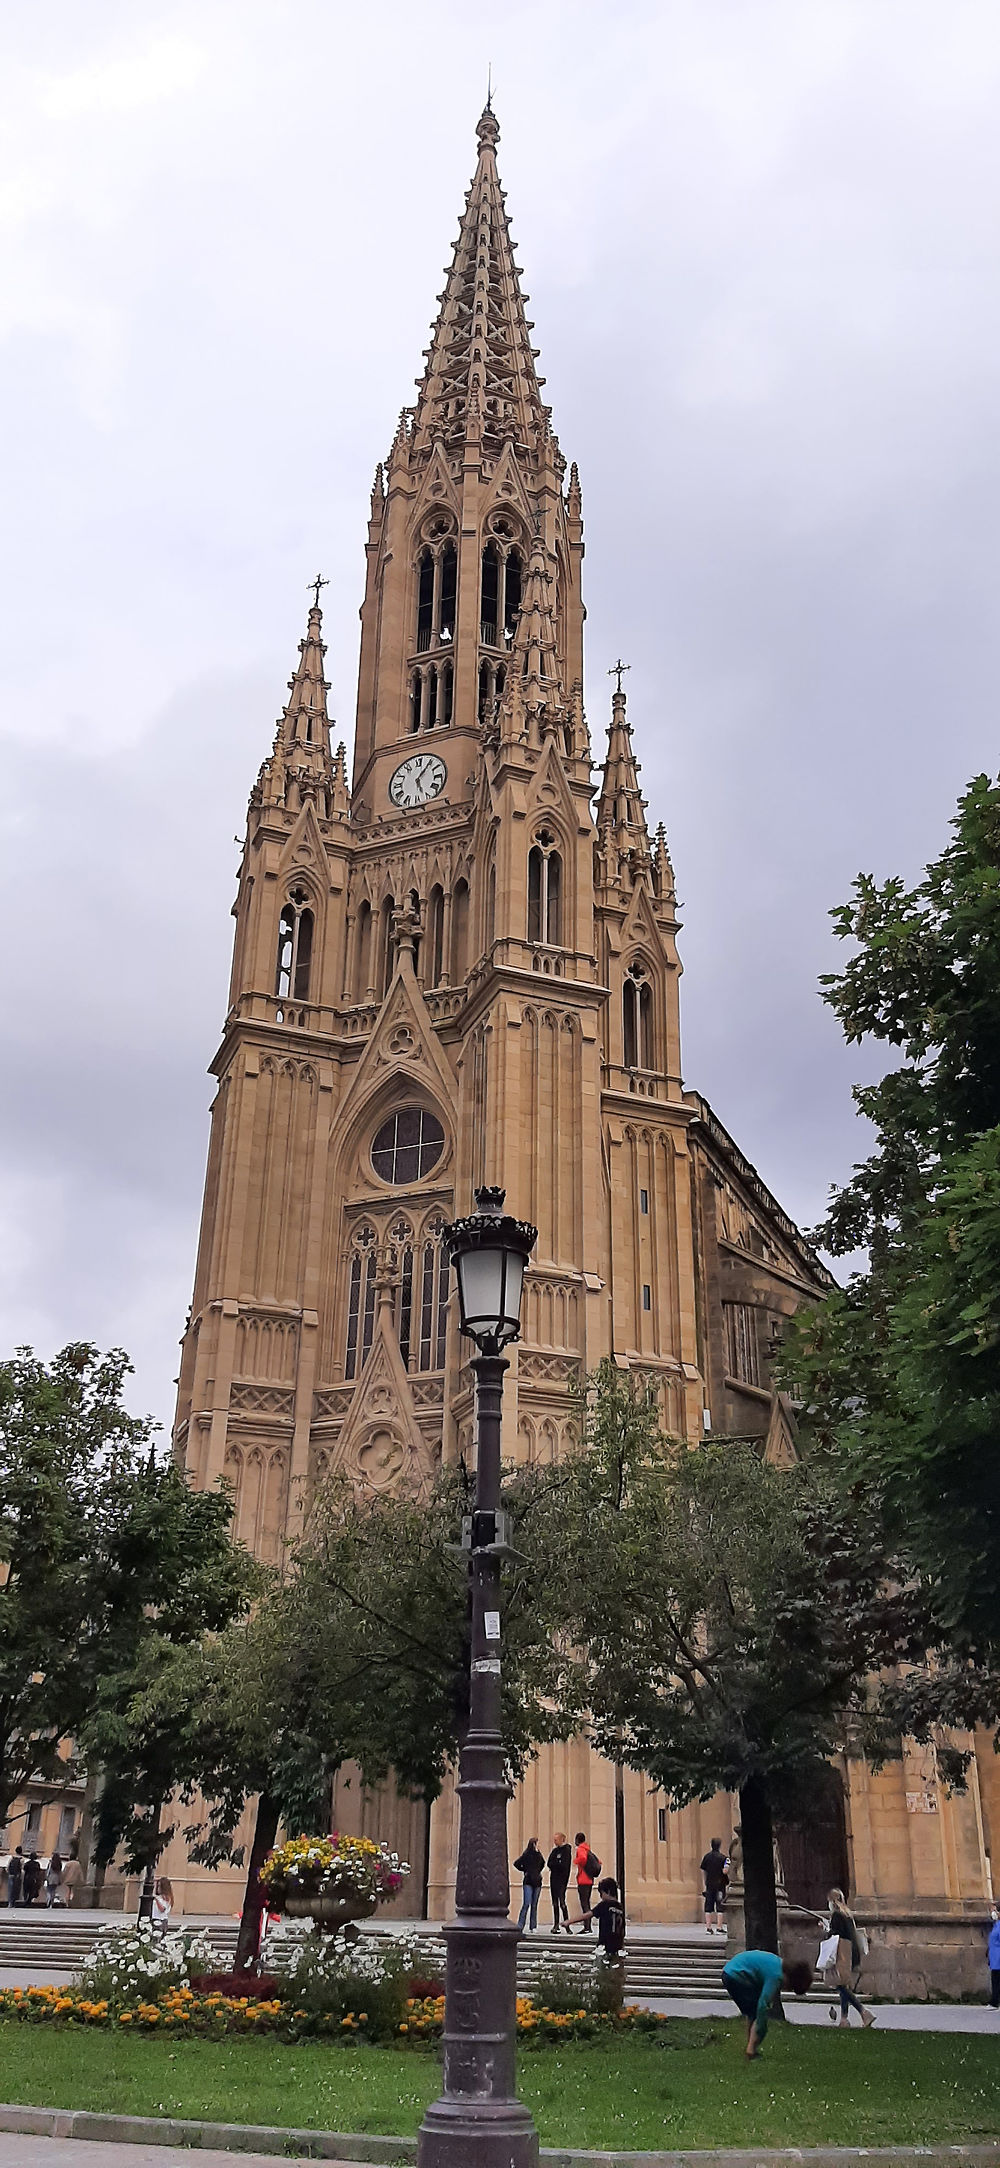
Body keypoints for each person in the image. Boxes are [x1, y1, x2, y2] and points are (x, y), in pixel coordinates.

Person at [722, 1948, 814, 2058]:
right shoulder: (776, 1976)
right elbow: (763, 2003)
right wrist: (762, 2027)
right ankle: (750, 2051)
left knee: (752, 2012)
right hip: (736, 1975)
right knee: (755, 2013)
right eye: (789, 1987)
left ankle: (750, 2047)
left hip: (730, 1971)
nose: (785, 1988)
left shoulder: (778, 1963)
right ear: (790, 1978)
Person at [826, 1887, 875, 2029]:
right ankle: (844, 2019)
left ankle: (864, 2012)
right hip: (851, 1953)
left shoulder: (836, 1915)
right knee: (844, 1986)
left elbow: (835, 1934)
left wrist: (826, 1931)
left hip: (842, 1954)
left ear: (832, 1901)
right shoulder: (848, 1914)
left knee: (841, 1986)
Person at [590, 1875, 626, 1956]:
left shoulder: (604, 1905)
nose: (601, 1896)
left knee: (602, 1965)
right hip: (618, 1944)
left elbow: (589, 1914)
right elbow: (622, 1926)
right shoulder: (620, 1906)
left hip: (605, 1943)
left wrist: (569, 1921)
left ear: (608, 1892)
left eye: (601, 1893)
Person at [513, 1839, 544, 1933]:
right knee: (526, 1903)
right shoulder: (527, 1854)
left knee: (534, 1904)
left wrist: (537, 1872)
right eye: (537, 1844)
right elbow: (517, 1863)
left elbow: (542, 1864)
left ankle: (533, 1926)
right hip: (528, 1881)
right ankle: (520, 1925)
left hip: (537, 1882)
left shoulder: (539, 1855)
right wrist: (525, 1870)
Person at [574, 1831, 601, 1931]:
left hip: (583, 1879)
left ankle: (587, 1927)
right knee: (586, 1903)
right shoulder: (588, 1849)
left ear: (577, 1840)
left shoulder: (581, 1849)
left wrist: (576, 1861)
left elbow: (582, 1858)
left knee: (584, 1904)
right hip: (589, 1879)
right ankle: (587, 1926)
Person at [701, 1836, 728, 1934]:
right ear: (719, 1846)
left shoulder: (706, 1857)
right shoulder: (724, 1858)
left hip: (709, 1884)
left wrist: (706, 1881)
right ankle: (719, 1927)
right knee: (720, 1905)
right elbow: (725, 1871)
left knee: (708, 1905)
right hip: (720, 1885)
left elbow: (703, 1870)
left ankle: (708, 1927)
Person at [547, 1832, 571, 1933]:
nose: (555, 1841)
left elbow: (564, 1866)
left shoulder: (566, 1850)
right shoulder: (554, 1851)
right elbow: (549, 1863)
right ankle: (556, 1924)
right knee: (555, 1903)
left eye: (556, 1839)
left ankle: (567, 1925)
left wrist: (557, 1864)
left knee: (562, 1903)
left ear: (562, 1839)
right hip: (553, 1880)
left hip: (562, 1880)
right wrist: (557, 1863)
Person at [988, 1912, 1000, 2009]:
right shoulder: (996, 1925)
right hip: (994, 1957)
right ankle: (994, 2001)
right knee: (995, 1979)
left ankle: (994, 2002)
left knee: (996, 1980)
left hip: (998, 1958)